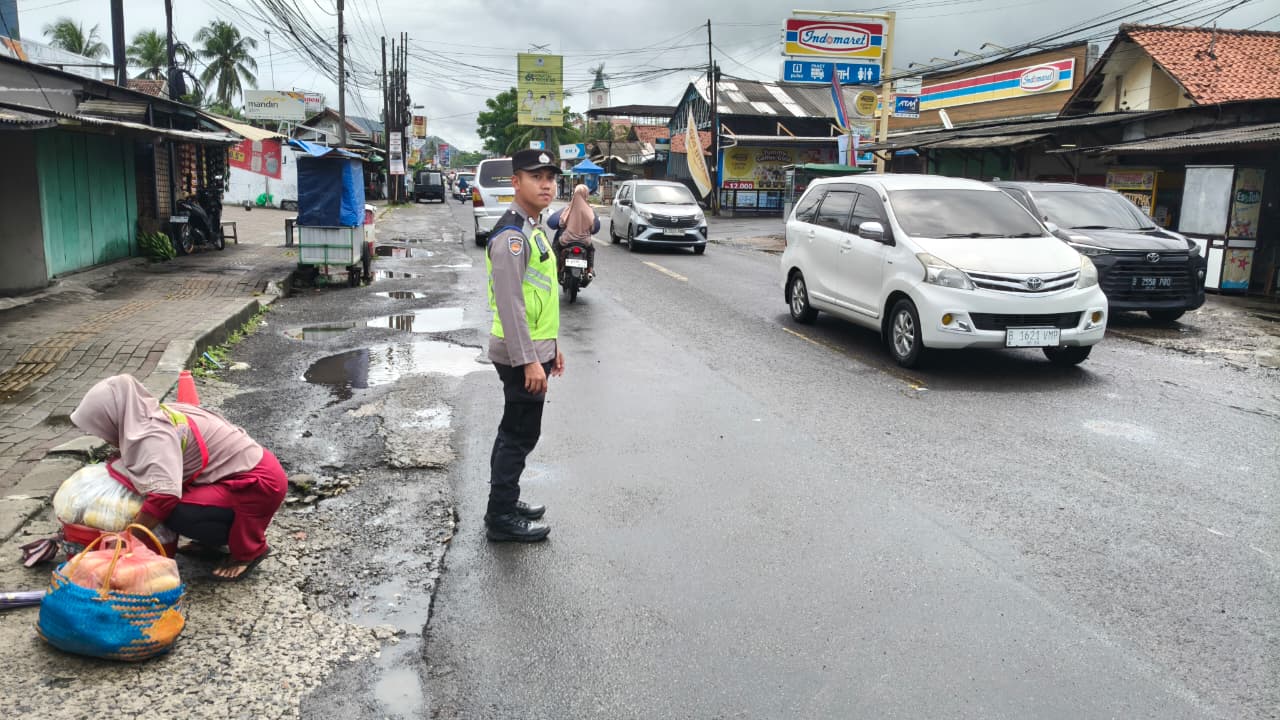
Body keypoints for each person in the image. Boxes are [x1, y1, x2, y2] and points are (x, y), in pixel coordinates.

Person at [70, 375, 288, 580]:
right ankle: (211, 542)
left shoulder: (154, 436)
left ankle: (249, 553)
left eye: (100, 428)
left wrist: (129, 539)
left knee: (175, 511)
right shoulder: (151, 415)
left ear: (113, 418)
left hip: (257, 484)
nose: (102, 436)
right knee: (169, 502)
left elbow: (164, 497)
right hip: (239, 471)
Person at [484, 148, 565, 542]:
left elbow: (541, 297)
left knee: (515, 430)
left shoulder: (533, 228)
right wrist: (530, 361)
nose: (546, 184)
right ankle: (500, 517)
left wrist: (553, 345)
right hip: (521, 354)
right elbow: (511, 303)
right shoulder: (512, 236)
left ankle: (505, 500)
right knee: (518, 435)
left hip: (535, 347)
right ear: (516, 182)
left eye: (550, 177)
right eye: (536, 177)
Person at [548, 183, 600, 278]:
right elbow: (593, 228)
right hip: (584, 242)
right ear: (586, 194)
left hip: (567, 240)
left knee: (555, 247)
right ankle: (590, 269)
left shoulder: (569, 208)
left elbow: (561, 223)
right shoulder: (589, 210)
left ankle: (556, 268)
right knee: (591, 250)